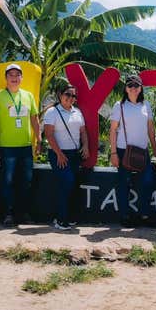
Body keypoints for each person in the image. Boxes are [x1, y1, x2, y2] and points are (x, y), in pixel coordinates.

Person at [0, 63, 40, 226]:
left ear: (22, 78)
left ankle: (23, 213)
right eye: (11, 75)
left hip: (25, 146)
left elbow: (34, 119)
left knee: (26, 181)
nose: (14, 78)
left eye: (17, 75)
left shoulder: (28, 96)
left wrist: (38, 141)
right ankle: (8, 213)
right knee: (7, 180)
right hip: (6, 147)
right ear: (6, 78)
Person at [109, 74, 156, 227]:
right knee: (124, 183)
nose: (133, 88)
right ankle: (125, 215)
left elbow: (150, 128)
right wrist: (113, 153)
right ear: (125, 88)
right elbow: (113, 130)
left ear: (140, 88)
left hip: (143, 151)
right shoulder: (120, 105)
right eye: (130, 85)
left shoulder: (146, 105)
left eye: (136, 86)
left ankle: (144, 214)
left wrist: (155, 150)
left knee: (149, 181)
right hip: (124, 150)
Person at [43, 82, 89, 230]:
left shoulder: (77, 112)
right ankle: (61, 219)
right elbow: (49, 135)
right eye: (67, 94)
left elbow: (83, 132)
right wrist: (59, 154)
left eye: (73, 95)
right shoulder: (52, 112)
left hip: (74, 154)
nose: (70, 98)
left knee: (72, 185)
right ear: (60, 95)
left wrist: (86, 146)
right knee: (67, 182)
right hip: (58, 153)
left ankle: (68, 216)